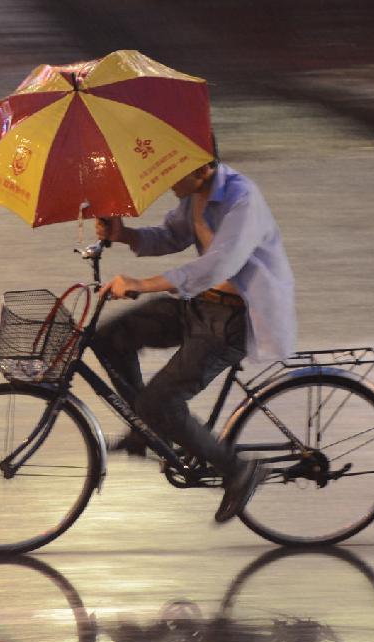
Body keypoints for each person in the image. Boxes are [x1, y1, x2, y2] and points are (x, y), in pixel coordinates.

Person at [93, 149, 296, 523]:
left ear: (203, 169)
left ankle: (238, 470)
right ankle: (151, 428)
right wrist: (125, 235)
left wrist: (144, 283)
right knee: (110, 338)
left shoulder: (242, 200)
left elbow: (218, 263)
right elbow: (172, 235)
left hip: (234, 318)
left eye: (174, 173)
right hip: (200, 304)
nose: (168, 181)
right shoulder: (195, 195)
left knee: (161, 400)